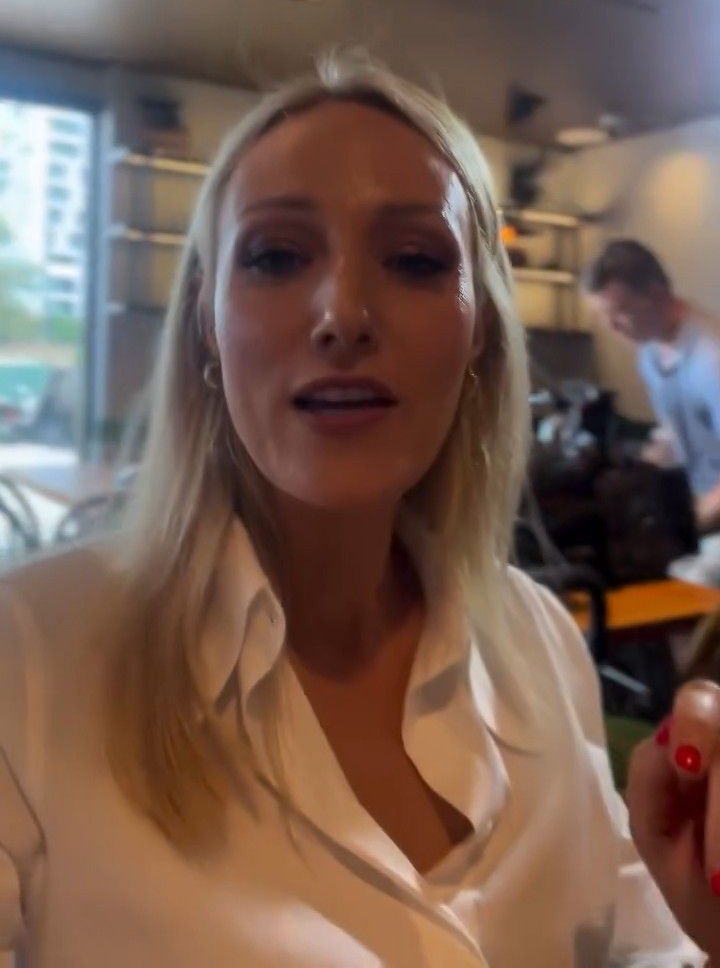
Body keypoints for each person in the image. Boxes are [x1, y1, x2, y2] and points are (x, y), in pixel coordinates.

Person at [0, 56, 719, 967]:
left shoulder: (540, 636)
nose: (342, 313)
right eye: (275, 256)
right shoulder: (27, 659)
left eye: (416, 261)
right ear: (207, 324)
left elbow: (641, 947)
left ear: (479, 332)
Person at [584, 239, 720, 584]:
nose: (613, 327)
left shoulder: (711, 357)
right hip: (704, 517)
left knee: (681, 583)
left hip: (712, 521)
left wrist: (696, 517)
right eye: (604, 317)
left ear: (658, 295)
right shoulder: (650, 352)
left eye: (620, 312)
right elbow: (677, 434)